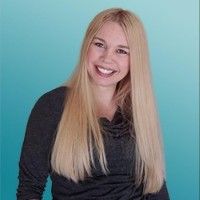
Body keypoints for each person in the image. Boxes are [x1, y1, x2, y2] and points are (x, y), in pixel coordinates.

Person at [16, 8, 170, 200]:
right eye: (99, 44)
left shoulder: (139, 111)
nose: (107, 58)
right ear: (86, 46)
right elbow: (29, 189)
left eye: (121, 51)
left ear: (134, 60)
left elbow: (155, 188)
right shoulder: (53, 106)